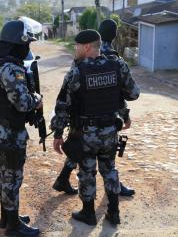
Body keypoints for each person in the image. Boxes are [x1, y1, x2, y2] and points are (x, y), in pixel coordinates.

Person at [51, 29, 140, 226]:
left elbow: (63, 105)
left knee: (87, 172)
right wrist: (123, 109)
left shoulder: (77, 71)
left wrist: (58, 133)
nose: (75, 49)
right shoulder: (118, 65)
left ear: (87, 47)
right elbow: (133, 93)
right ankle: (114, 213)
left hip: (86, 134)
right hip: (110, 131)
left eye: (77, 46)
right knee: (110, 170)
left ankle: (88, 213)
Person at [0, 20, 41, 237]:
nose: (28, 48)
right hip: (9, 133)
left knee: (3, 174)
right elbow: (22, 103)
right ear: (20, 43)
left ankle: (7, 217)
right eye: (27, 43)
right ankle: (13, 227)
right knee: (12, 178)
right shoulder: (11, 68)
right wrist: (36, 98)